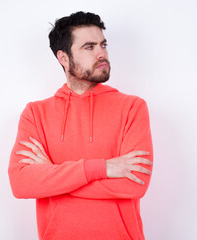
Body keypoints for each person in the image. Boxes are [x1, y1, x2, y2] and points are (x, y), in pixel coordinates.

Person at [8, 11, 153, 240]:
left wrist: (53, 176)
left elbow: (135, 184)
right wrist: (100, 168)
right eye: (89, 47)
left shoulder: (132, 107)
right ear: (64, 58)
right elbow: (21, 184)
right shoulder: (36, 114)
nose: (101, 53)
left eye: (103, 45)